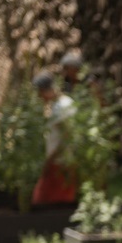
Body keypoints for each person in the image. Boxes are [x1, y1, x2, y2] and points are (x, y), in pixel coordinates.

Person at [30, 71, 79, 206]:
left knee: (43, 200)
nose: (39, 97)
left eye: (40, 93)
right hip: (58, 160)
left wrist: (50, 160)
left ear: (45, 90)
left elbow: (67, 137)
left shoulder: (63, 106)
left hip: (61, 162)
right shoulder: (57, 105)